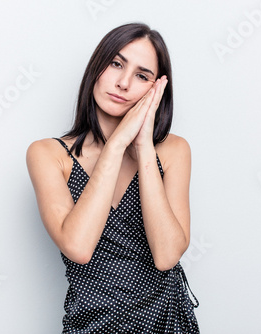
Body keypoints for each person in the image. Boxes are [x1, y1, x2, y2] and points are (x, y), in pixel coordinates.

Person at [26, 22, 199, 333]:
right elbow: (78, 247)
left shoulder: (174, 151)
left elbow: (167, 256)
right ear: (97, 67)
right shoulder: (48, 155)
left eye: (142, 75)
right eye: (116, 64)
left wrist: (143, 144)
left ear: (155, 90)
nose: (123, 82)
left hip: (168, 325)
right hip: (92, 325)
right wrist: (117, 144)